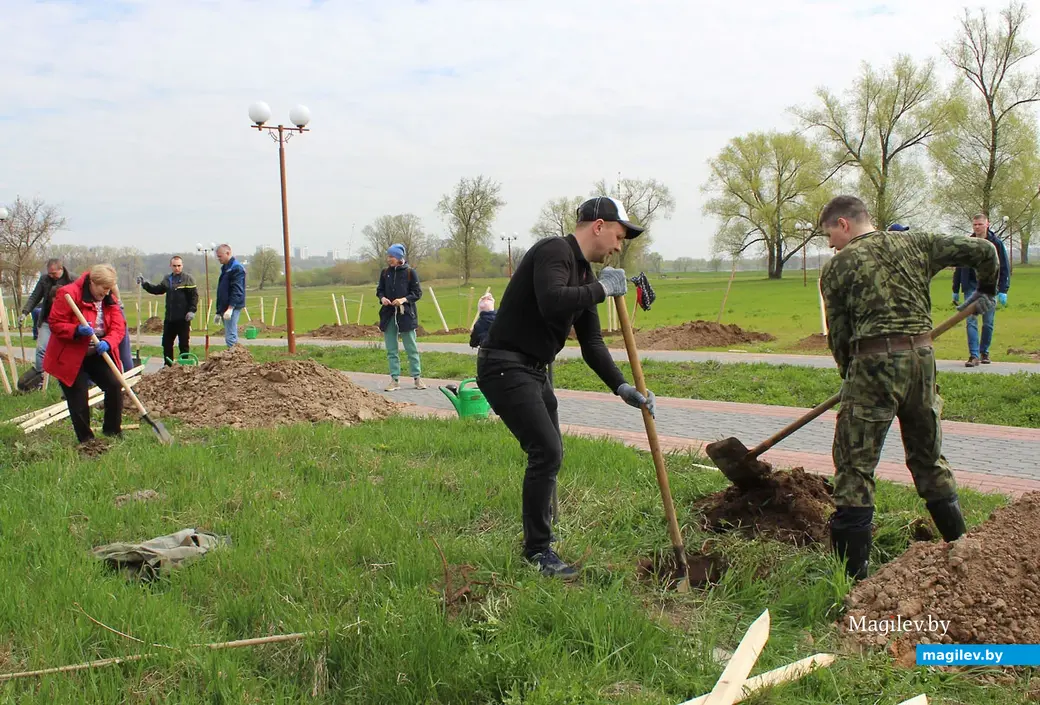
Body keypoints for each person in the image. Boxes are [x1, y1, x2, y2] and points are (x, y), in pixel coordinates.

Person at [818, 195, 999, 581]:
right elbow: (985, 251)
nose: (830, 244)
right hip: (922, 359)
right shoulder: (918, 243)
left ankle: (852, 582)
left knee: (854, 467)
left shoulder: (839, 267)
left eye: (829, 234)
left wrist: (850, 375)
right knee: (928, 459)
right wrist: (986, 290)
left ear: (844, 224)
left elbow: (840, 335)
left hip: (872, 366)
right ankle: (961, 553)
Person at [476, 196, 656, 579]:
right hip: (504, 364)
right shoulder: (554, 250)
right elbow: (553, 301)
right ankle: (538, 552)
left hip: (533, 371)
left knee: (549, 452)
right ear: (599, 225)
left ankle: (541, 535)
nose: (618, 247)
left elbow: (591, 342)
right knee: (546, 450)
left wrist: (622, 387)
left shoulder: (586, 275)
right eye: (619, 236)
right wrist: (603, 290)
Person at [43, 264, 127, 444]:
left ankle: (112, 430)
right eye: (103, 288)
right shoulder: (68, 294)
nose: (105, 293)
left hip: (96, 353)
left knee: (113, 385)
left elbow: (119, 326)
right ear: (92, 283)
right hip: (70, 355)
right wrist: (76, 330)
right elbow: (55, 323)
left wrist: (108, 341)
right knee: (79, 395)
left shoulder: (108, 298)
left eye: (108, 289)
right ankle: (87, 441)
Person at [952, 213, 1010, 366]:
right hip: (971, 286)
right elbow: (959, 267)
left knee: (988, 322)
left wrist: (1004, 289)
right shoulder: (968, 243)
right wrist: (955, 289)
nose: (977, 227)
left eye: (980, 224)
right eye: (975, 225)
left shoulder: (996, 243)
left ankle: (984, 351)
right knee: (971, 320)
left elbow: (1004, 267)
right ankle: (973, 355)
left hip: (989, 288)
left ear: (987, 224)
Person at [376, 243, 426, 391]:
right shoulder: (385, 273)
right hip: (388, 315)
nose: (388, 259)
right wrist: (383, 298)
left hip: (406, 315)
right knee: (392, 350)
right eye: (388, 256)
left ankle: (417, 378)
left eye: (391, 256)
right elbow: (379, 290)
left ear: (399, 257)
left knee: (411, 348)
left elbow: (417, 293)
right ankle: (394, 380)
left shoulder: (410, 272)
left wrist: (403, 300)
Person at [139, 256, 199, 365]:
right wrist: (145, 284)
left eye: (179, 266)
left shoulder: (188, 279)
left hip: (183, 318)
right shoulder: (167, 279)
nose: (177, 268)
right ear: (170, 266)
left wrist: (192, 310)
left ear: (182, 265)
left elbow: (194, 297)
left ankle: (184, 365)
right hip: (170, 318)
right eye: (175, 266)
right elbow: (157, 290)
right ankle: (168, 366)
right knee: (166, 343)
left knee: (184, 344)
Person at [20, 258, 74, 373]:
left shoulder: (73, 280)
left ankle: (65, 378)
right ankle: (39, 377)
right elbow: (35, 297)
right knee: (41, 349)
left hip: (67, 323)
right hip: (47, 320)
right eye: (49, 273)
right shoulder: (45, 279)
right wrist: (25, 312)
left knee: (65, 353)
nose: (51, 276)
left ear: (61, 269)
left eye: (53, 273)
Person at [214, 244, 246, 348]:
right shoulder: (225, 268)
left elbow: (237, 290)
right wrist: (219, 312)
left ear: (228, 253)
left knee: (230, 336)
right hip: (224, 306)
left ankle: (235, 360)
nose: (218, 258)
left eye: (220, 256)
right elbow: (222, 291)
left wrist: (230, 308)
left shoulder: (236, 268)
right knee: (229, 334)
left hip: (232, 306)